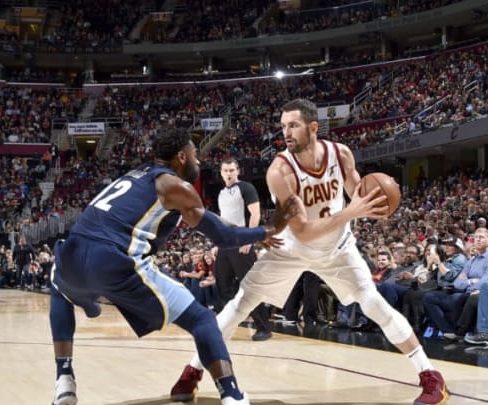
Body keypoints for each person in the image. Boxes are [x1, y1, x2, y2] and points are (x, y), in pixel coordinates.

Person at [170, 98, 448, 405]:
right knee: (239, 305)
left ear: (313, 127)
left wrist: (377, 202)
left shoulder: (340, 154)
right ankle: (193, 370)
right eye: (283, 126)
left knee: (374, 304)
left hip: (338, 249)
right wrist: (352, 212)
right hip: (293, 247)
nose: (286, 132)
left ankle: (430, 376)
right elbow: (302, 229)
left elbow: (358, 193)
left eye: (293, 125)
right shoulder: (280, 170)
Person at [49, 128, 299, 405]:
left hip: (71, 254)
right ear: (181, 157)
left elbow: (217, 224)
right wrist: (269, 229)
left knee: (58, 287)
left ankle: (64, 379)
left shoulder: (135, 174)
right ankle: (232, 396)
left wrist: (255, 235)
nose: (199, 162)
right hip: (113, 260)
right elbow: (224, 237)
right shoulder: (174, 186)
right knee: (202, 320)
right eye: (195, 155)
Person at [214, 157, 272, 341]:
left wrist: (249, 239)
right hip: (226, 244)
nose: (229, 173)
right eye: (225, 170)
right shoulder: (221, 193)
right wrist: (217, 244)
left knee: (249, 287)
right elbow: (222, 220)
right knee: (223, 286)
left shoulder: (246, 188)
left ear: (237, 171)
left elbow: (255, 214)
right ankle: (226, 326)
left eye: (232, 170)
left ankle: (264, 327)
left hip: (242, 243)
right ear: (221, 173)